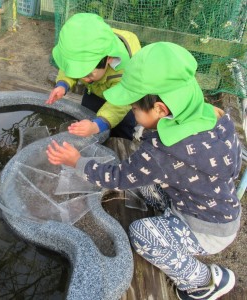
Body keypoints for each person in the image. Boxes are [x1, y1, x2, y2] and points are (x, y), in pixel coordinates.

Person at [46, 42, 242, 300]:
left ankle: (203, 282)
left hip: (205, 230)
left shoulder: (162, 152)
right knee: (144, 182)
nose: (133, 113)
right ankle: (171, 218)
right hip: (219, 207)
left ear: (161, 109)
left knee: (141, 234)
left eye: (135, 109)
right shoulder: (215, 116)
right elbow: (233, 166)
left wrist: (77, 162)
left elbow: (118, 177)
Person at [46, 13, 141, 140]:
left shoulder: (126, 70)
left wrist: (98, 125)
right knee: (86, 116)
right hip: (94, 89)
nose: (83, 79)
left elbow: (119, 104)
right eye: (79, 73)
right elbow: (68, 67)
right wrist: (63, 84)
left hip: (123, 97)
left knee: (122, 126)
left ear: (109, 59)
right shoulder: (79, 51)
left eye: (87, 73)